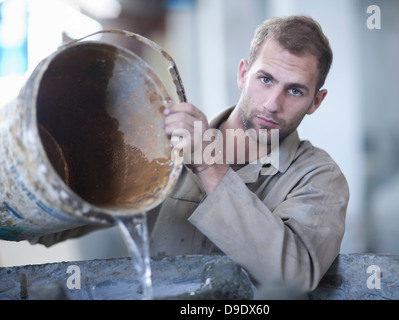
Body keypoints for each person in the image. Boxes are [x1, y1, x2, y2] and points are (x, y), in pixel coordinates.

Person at [35, 15, 349, 293]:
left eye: (295, 90)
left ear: (316, 102)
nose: (272, 104)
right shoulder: (163, 148)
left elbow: (293, 278)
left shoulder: (318, 177)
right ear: (243, 74)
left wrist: (208, 164)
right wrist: (62, 153)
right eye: (265, 80)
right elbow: (50, 226)